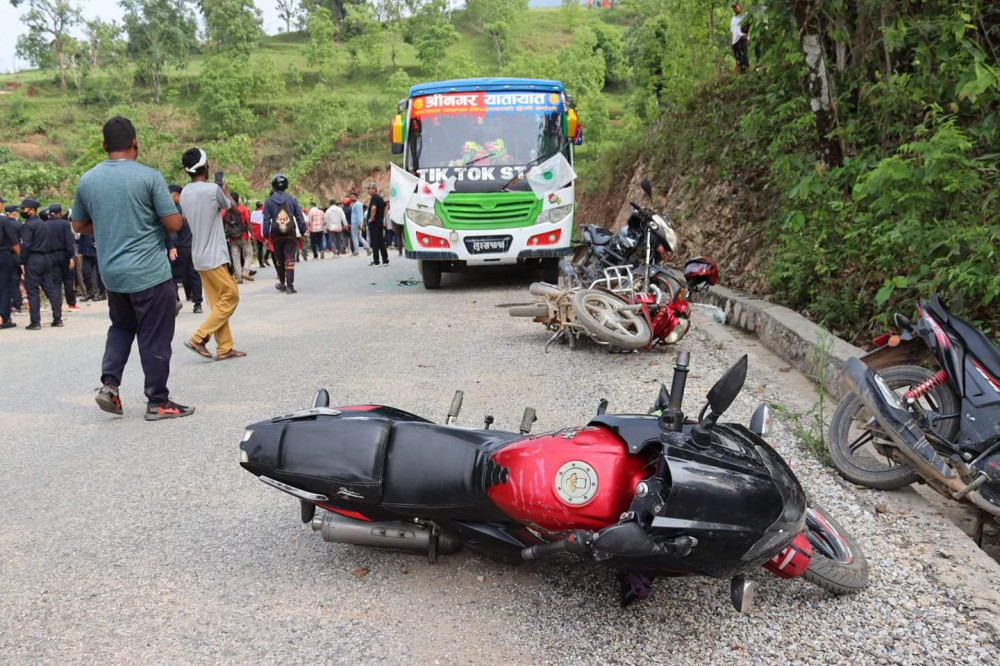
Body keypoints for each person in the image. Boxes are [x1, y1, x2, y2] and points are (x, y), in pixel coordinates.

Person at [71, 116, 193, 420]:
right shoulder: (149, 177)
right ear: (135, 143)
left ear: (104, 146)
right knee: (154, 334)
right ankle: (158, 401)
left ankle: (110, 385)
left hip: (113, 275)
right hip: (149, 273)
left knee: (121, 327)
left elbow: (78, 224)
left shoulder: (87, 179)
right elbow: (173, 222)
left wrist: (109, 225)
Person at [179, 147, 246, 361]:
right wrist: (225, 191)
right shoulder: (211, 190)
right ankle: (199, 337)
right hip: (214, 255)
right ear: (206, 167)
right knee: (232, 296)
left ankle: (224, 347)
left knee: (218, 303)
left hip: (198, 255)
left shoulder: (184, 193)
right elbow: (234, 208)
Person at [18, 198, 64, 330]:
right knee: (50, 288)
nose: (22, 211)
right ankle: (57, 318)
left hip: (34, 259)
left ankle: (35, 321)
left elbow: (25, 246)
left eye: (24, 209)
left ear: (32, 210)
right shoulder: (44, 224)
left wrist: (22, 261)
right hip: (47, 258)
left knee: (32, 290)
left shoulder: (28, 226)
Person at [263, 174, 306, 294]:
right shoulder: (292, 199)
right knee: (290, 259)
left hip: (276, 234)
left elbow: (266, 220)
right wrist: (302, 232)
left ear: (274, 186)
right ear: (286, 185)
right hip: (289, 233)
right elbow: (299, 217)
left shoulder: (269, 201)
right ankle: (290, 287)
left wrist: (265, 236)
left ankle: (282, 283)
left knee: (280, 259)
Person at [166, 184, 203, 314]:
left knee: (173, 276)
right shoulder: (191, 208)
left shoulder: (173, 211)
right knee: (194, 275)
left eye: (168, 195)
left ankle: (175, 301)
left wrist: (172, 246)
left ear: (176, 195)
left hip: (180, 247)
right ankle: (198, 303)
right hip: (193, 246)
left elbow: (173, 231)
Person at [45, 203, 79, 312]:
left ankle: (57, 305)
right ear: (60, 213)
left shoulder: (45, 224)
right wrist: (71, 257)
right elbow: (69, 242)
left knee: (56, 282)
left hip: (51, 255)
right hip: (64, 255)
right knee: (68, 280)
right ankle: (71, 304)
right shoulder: (64, 224)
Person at [226, 192, 255, 283]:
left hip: (232, 237)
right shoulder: (243, 209)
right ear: (238, 199)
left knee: (235, 257)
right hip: (243, 236)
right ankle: (245, 271)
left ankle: (239, 277)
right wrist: (252, 234)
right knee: (249, 253)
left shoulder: (226, 210)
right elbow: (248, 222)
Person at [0, 200, 20, 329]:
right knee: (4, 287)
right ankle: (3, 317)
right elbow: (14, 242)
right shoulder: (4, 221)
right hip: (3, 255)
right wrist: (21, 258)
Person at [77, 229, 105, 301]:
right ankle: (90, 292)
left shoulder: (100, 227)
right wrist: (80, 252)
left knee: (100, 274)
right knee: (85, 273)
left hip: (98, 253)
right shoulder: (85, 228)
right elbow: (81, 240)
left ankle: (102, 293)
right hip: (87, 253)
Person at [366, 182, 389, 267]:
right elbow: (386, 206)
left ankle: (376, 261)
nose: (368, 190)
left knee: (374, 242)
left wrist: (371, 218)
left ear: (374, 189)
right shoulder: (380, 198)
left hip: (374, 222)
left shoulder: (374, 198)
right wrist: (383, 217)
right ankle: (385, 260)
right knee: (381, 241)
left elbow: (374, 208)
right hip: (379, 222)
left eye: (369, 189)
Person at [349, 189, 369, 257]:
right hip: (357, 223)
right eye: (350, 197)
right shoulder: (356, 204)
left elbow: (359, 215)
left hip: (355, 223)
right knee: (359, 237)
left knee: (354, 237)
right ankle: (368, 248)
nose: (351, 198)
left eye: (352, 196)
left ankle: (356, 251)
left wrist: (359, 224)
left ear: (356, 196)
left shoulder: (357, 204)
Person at [731, 3, 749, 74]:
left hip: (742, 38)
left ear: (740, 7)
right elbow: (732, 31)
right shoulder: (733, 19)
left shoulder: (744, 17)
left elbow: (748, 26)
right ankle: (740, 71)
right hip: (735, 41)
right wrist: (731, 41)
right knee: (737, 57)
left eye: (736, 7)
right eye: (734, 8)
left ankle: (746, 70)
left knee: (744, 55)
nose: (735, 9)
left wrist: (746, 35)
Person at [250, 201, 269, 267]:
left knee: (259, 247)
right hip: (261, 231)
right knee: (266, 246)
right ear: (261, 206)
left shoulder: (253, 213)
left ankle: (260, 262)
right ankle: (263, 260)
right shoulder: (263, 212)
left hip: (254, 232)